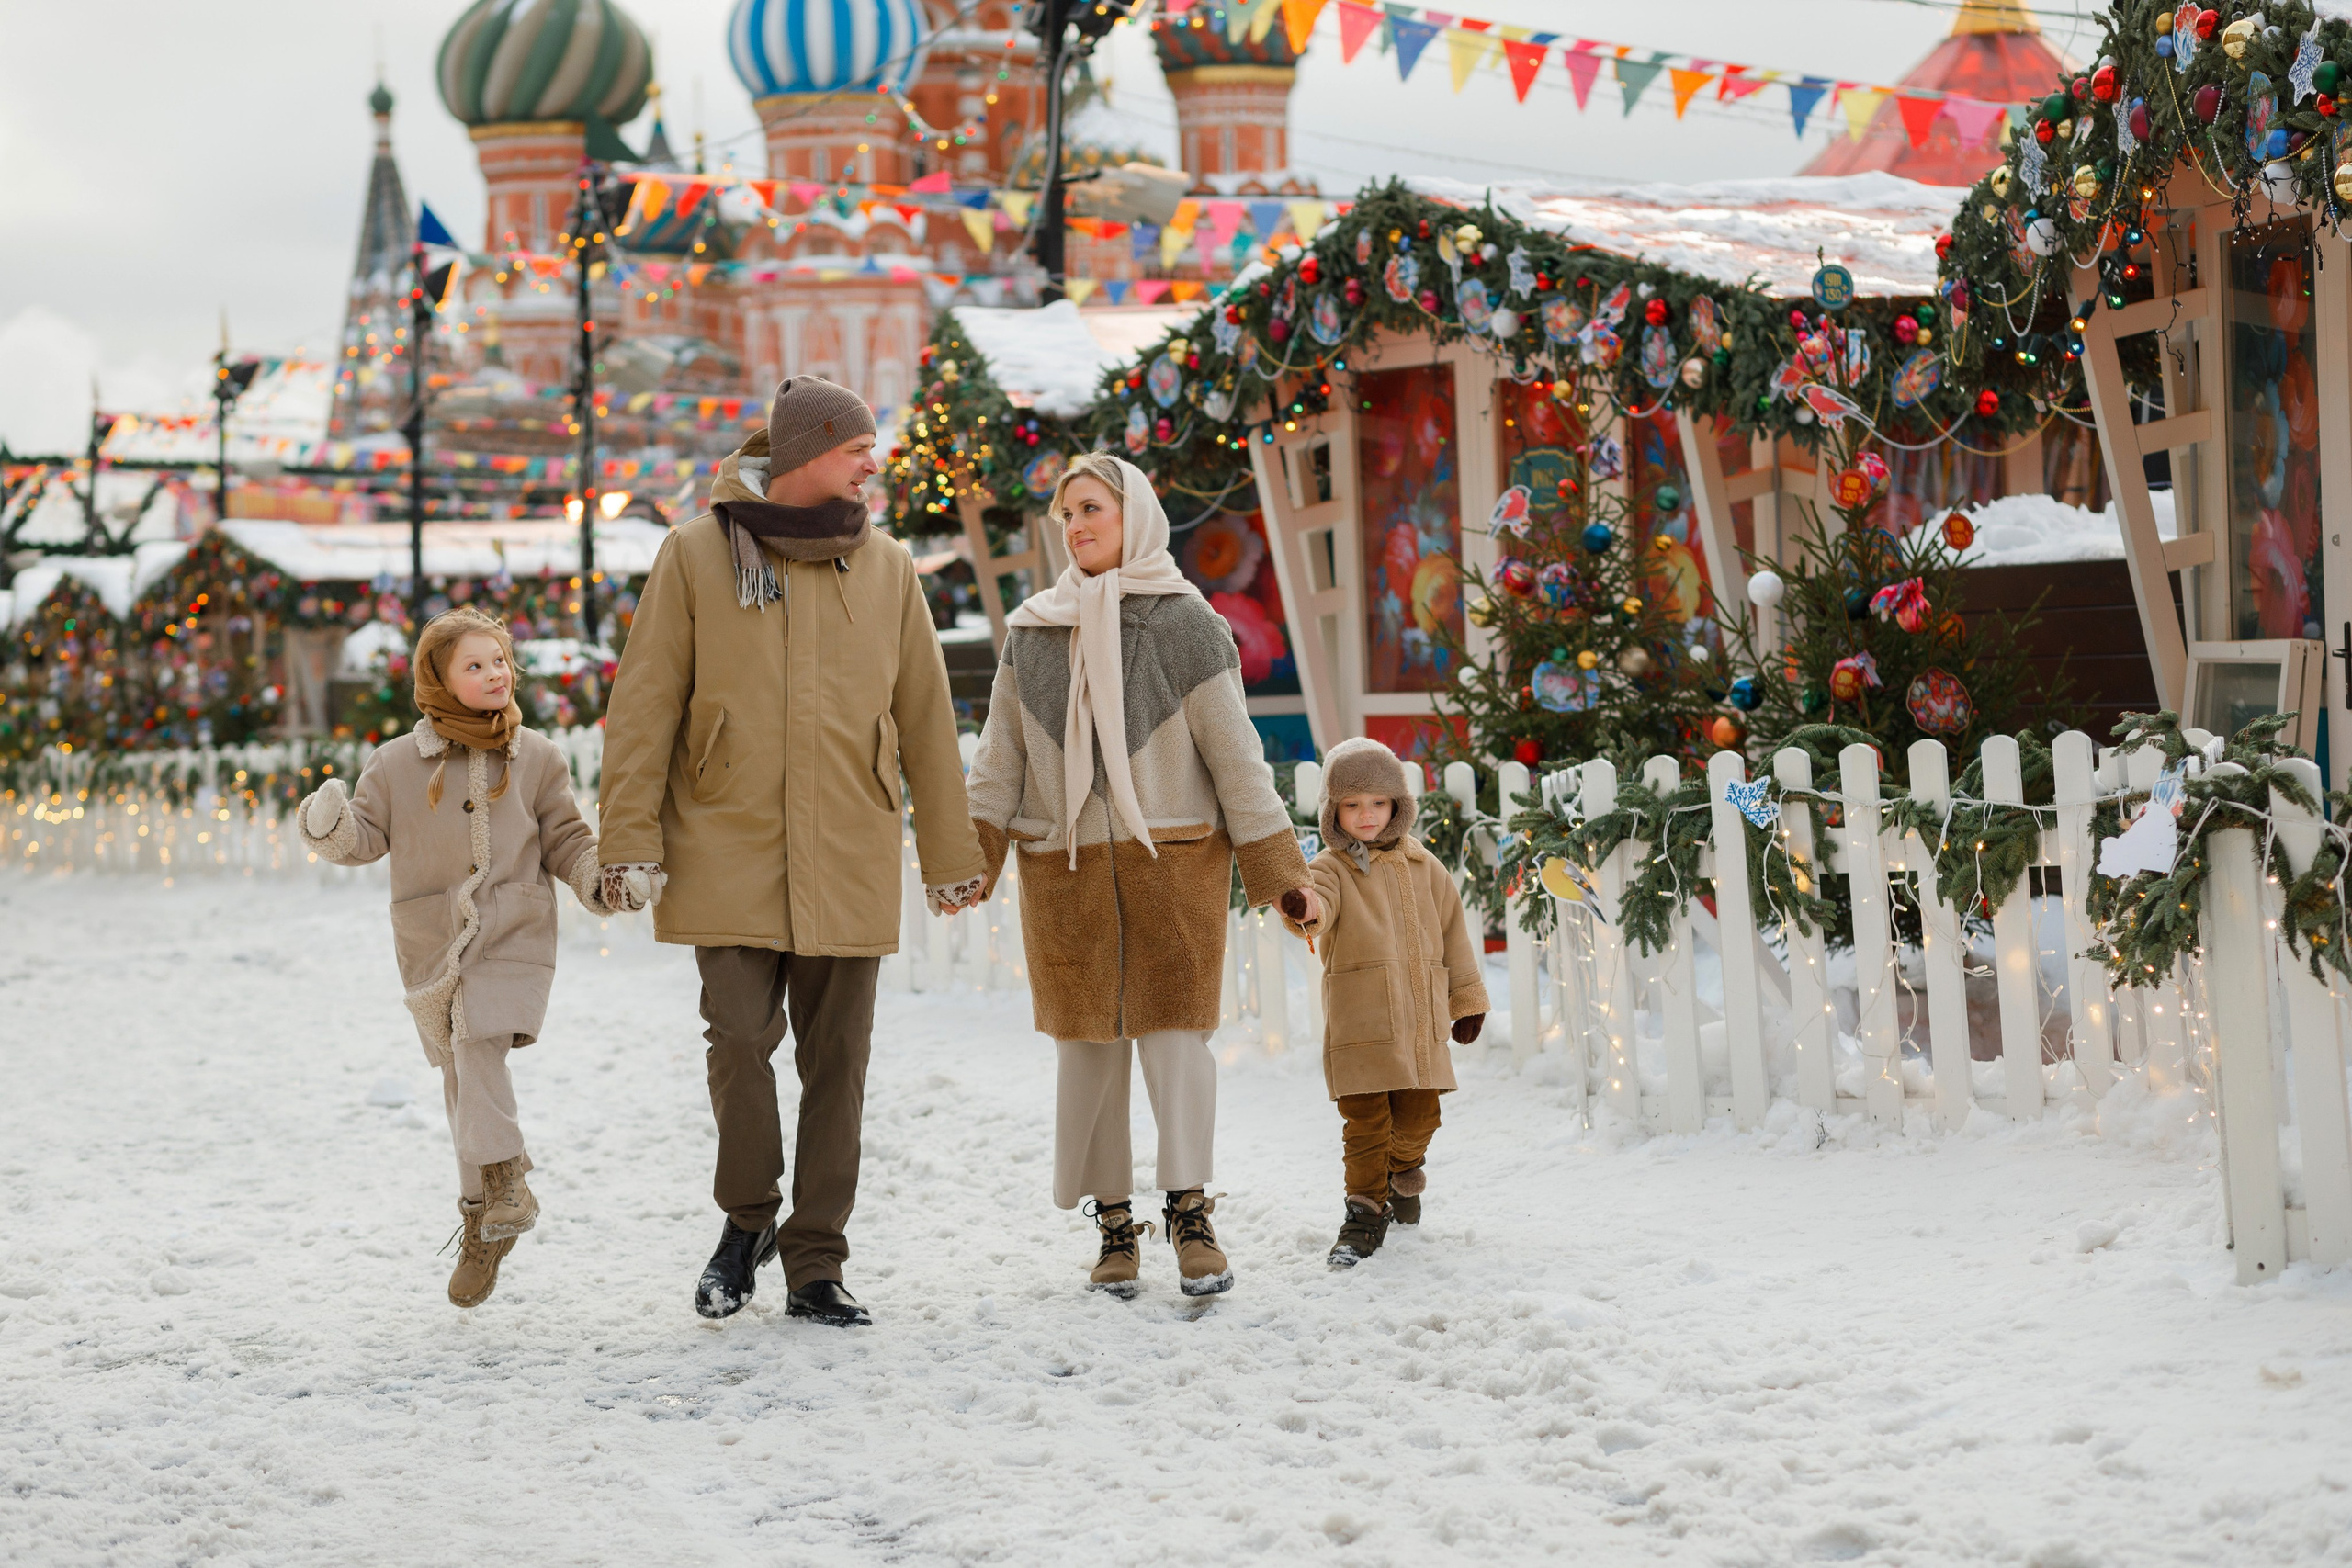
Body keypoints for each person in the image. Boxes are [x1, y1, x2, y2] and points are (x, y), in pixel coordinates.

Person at [596, 376, 985, 1328]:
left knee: (838, 1061)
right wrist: (629, 841)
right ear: (808, 448)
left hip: (847, 840)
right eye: (857, 448)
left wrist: (949, 853)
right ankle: (745, 1222)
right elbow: (644, 706)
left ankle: (816, 1260)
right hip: (727, 838)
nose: (871, 463)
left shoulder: (887, 565)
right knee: (736, 1042)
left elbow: (927, 719)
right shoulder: (696, 553)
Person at [964, 452, 1312, 1299]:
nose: (1077, 526)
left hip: (1173, 872)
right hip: (1068, 875)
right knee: (1087, 1053)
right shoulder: (1033, 632)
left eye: (1092, 509)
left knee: (1175, 1046)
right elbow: (998, 761)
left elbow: (1238, 760)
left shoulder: (1190, 625)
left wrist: (1281, 872)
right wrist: (974, 858)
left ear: (1135, 515)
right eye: (1066, 515)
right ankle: (1114, 1223)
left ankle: (1190, 1211)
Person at [296, 606, 613, 1308]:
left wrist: (597, 879)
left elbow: (567, 837)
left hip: (513, 932)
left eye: (500, 660)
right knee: (460, 1078)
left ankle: (506, 1182)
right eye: (475, 665)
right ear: (437, 679)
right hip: (433, 941)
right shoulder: (397, 764)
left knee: (477, 1047)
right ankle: (483, 1219)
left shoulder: (537, 758)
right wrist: (330, 823)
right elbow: (365, 837)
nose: (496, 673)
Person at [1279, 737, 1487, 1268]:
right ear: (1334, 811)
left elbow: (1455, 935)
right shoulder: (1333, 866)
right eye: (1352, 804)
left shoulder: (1427, 867)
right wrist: (1301, 905)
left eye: (1378, 803)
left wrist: (1466, 1000)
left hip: (1420, 1023)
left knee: (1420, 1118)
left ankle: (1403, 1170)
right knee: (1365, 1123)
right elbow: (1316, 901)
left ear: (1398, 805)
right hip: (1362, 1025)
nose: (1366, 815)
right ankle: (1364, 1214)